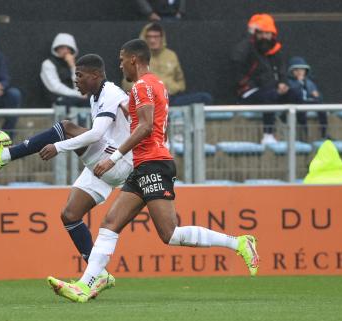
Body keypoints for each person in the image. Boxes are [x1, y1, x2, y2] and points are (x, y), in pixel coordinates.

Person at [47, 39, 260, 303]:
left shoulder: (141, 87)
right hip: (146, 164)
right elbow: (160, 128)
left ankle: (238, 243)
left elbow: (146, 126)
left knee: (169, 233)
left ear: (133, 60)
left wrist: (114, 158)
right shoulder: (158, 85)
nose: (120, 64)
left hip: (152, 164)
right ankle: (85, 285)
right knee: (110, 224)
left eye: (122, 59)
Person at [0, 54, 133, 296]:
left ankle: (4, 156)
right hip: (108, 161)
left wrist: (58, 147)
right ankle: (98, 274)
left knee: (66, 128)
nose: (75, 81)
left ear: (95, 76)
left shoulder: (111, 93)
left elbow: (95, 135)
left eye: (80, 76)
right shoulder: (97, 95)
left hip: (119, 160)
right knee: (70, 215)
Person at [231, 14, 301, 145]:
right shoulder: (246, 48)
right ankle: (268, 135)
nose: (264, 37)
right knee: (270, 95)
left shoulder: (275, 50)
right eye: (261, 33)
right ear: (255, 34)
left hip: (271, 90)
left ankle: (290, 129)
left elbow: (282, 71)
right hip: (248, 92)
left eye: (267, 33)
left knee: (296, 94)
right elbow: (237, 63)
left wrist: (283, 83)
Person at [122, 22, 212, 106]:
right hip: (146, 100)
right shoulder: (135, 57)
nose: (153, 40)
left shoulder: (171, 55)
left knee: (205, 97)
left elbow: (181, 83)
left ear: (162, 38)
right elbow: (126, 84)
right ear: (144, 38)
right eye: (149, 37)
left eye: (156, 37)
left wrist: (169, 86)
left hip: (170, 98)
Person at [40, 33, 90, 109]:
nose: (65, 51)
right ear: (56, 48)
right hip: (57, 99)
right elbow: (55, 87)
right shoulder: (48, 64)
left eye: (68, 48)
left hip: (75, 99)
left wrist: (73, 67)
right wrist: (77, 94)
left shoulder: (75, 65)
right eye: (62, 48)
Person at [287, 56, 327, 140]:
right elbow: (293, 91)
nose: (299, 72)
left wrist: (317, 95)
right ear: (291, 71)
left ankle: (324, 133)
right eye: (296, 70)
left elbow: (317, 94)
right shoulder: (288, 82)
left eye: (302, 70)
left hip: (308, 101)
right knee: (301, 112)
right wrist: (299, 82)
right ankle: (304, 135)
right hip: (297, 103)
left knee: (322, 108)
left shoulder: (309, 82)